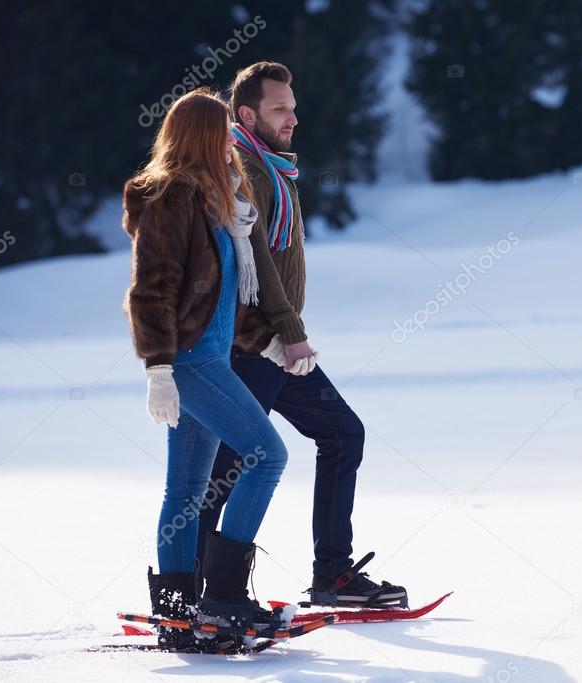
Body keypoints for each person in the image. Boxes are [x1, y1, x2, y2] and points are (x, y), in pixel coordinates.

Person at [195, 62, 407, 607]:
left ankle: (331, 575)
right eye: (279, 109)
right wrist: (290, 332)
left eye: (293, 106)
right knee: (224, 470)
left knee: (339, 436)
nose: (293, 117)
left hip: (274, 341)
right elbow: (258, 258)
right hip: (254, 343)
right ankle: (194, 593)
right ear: (246, 114)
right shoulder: (248, 170)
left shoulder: (272, 168)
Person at [122, 88, 288, 650]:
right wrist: (158, 368)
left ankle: (178, 613)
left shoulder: (219, 202)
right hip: (189, 361)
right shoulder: (171, 198)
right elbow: (152, 291)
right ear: (199, 137)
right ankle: (223, 597)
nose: (231, 144)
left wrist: (262, 341)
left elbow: (217, 297)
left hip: (210, 354)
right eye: (221, 133)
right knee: (267, 456)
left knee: (187, 488)